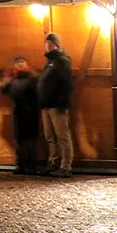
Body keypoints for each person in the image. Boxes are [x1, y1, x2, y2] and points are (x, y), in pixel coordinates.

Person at [37, 32, 74, 176]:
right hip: (46, 104)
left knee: (62, 136)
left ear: (56, 44)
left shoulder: (62, 60)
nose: (47, 45)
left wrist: (61, 102)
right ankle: (53, 162)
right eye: (46, 43)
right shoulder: (49, 63)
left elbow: (66, 83)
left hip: (56, 105)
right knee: (50, 136)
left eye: (50, 43)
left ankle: (66, 166)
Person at [0, 55, 43, 175]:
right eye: (18, 62)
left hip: (31, 113)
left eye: (22, 61)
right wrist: (4, 82)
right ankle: (20, 165)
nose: (20, 64)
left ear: (26, 63)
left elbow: (38, 95)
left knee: (30, 141)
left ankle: (31, 165)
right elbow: (4, 90)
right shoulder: (13, 78)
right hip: (18, 113)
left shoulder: (33, 78)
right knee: (19, 140)